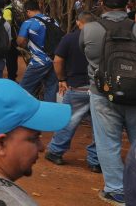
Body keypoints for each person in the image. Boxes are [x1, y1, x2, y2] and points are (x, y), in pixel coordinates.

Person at [81, 0, 136, 203]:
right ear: (127, 6)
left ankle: (116, 189)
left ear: (102, 4)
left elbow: (85, 53)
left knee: (107, 142)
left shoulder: (90, 29)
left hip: (102, 94)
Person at [43, 11, 100, 171]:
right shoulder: (102, 38)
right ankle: (96, 160)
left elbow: (58, 60)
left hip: (76, 86)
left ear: (78, 22)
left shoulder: (70, 38)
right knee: (100, 125)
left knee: (68, 121)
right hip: (98, 88)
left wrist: (61, 79)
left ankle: (55, 151)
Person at [16, 0, 60, 102]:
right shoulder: (53, 20)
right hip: (54, 59)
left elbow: (20, 41)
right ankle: (49, 113)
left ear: (28, 11)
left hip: (38, 61)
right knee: (51, 88)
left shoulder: (28, 23)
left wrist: (26, 45)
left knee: (23, 88)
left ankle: (24, 112)